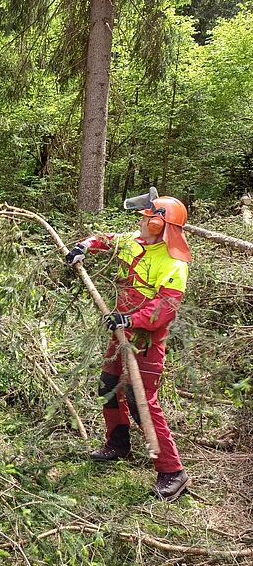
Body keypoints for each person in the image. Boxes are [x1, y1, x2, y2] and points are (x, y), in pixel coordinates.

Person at [66, 194, 192, 501]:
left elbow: (165, 307)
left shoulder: (174, 262)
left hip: (145, 339)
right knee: (108, 385)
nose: (141, 221)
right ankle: (118, 444)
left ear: (158, 224)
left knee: (141, 400)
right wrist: (84, 246)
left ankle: (172, 471)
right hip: (120, 329)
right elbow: (105, 239)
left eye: (147, 217)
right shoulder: (133, 241)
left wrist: (130, 319)